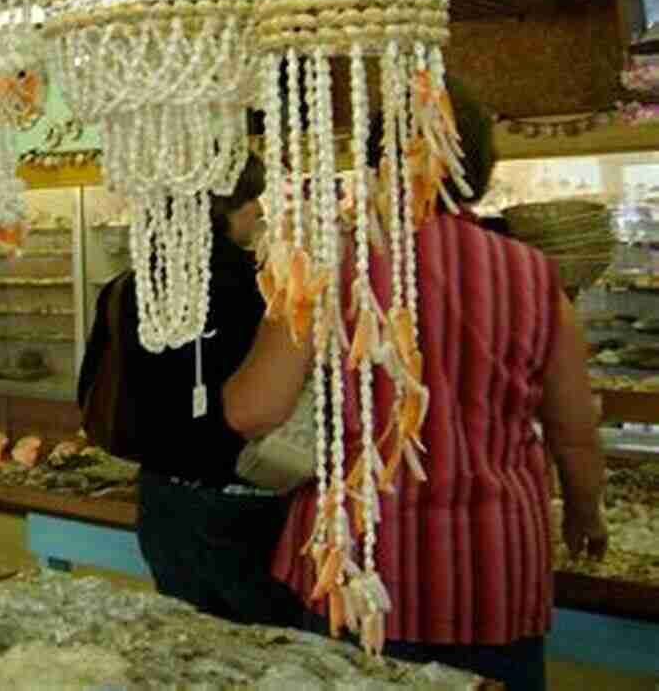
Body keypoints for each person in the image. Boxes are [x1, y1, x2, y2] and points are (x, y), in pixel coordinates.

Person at [224, 79, 606, 691]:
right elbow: (574, 426)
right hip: (498, 566)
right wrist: (586, 515)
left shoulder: (330, 265)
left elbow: (253, 410)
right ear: (477, 168)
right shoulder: (537, 275)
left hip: (363, 565)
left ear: (377, 164)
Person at [77, 154, 303, 628]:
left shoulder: (128, 286)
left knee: (191, 643)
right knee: (270, 653)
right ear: (224, 207)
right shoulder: (263, 289)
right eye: (249, 200)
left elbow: (90, 391)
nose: (258, 210)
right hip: (250, 503)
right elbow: (270, 405)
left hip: (163, 502)